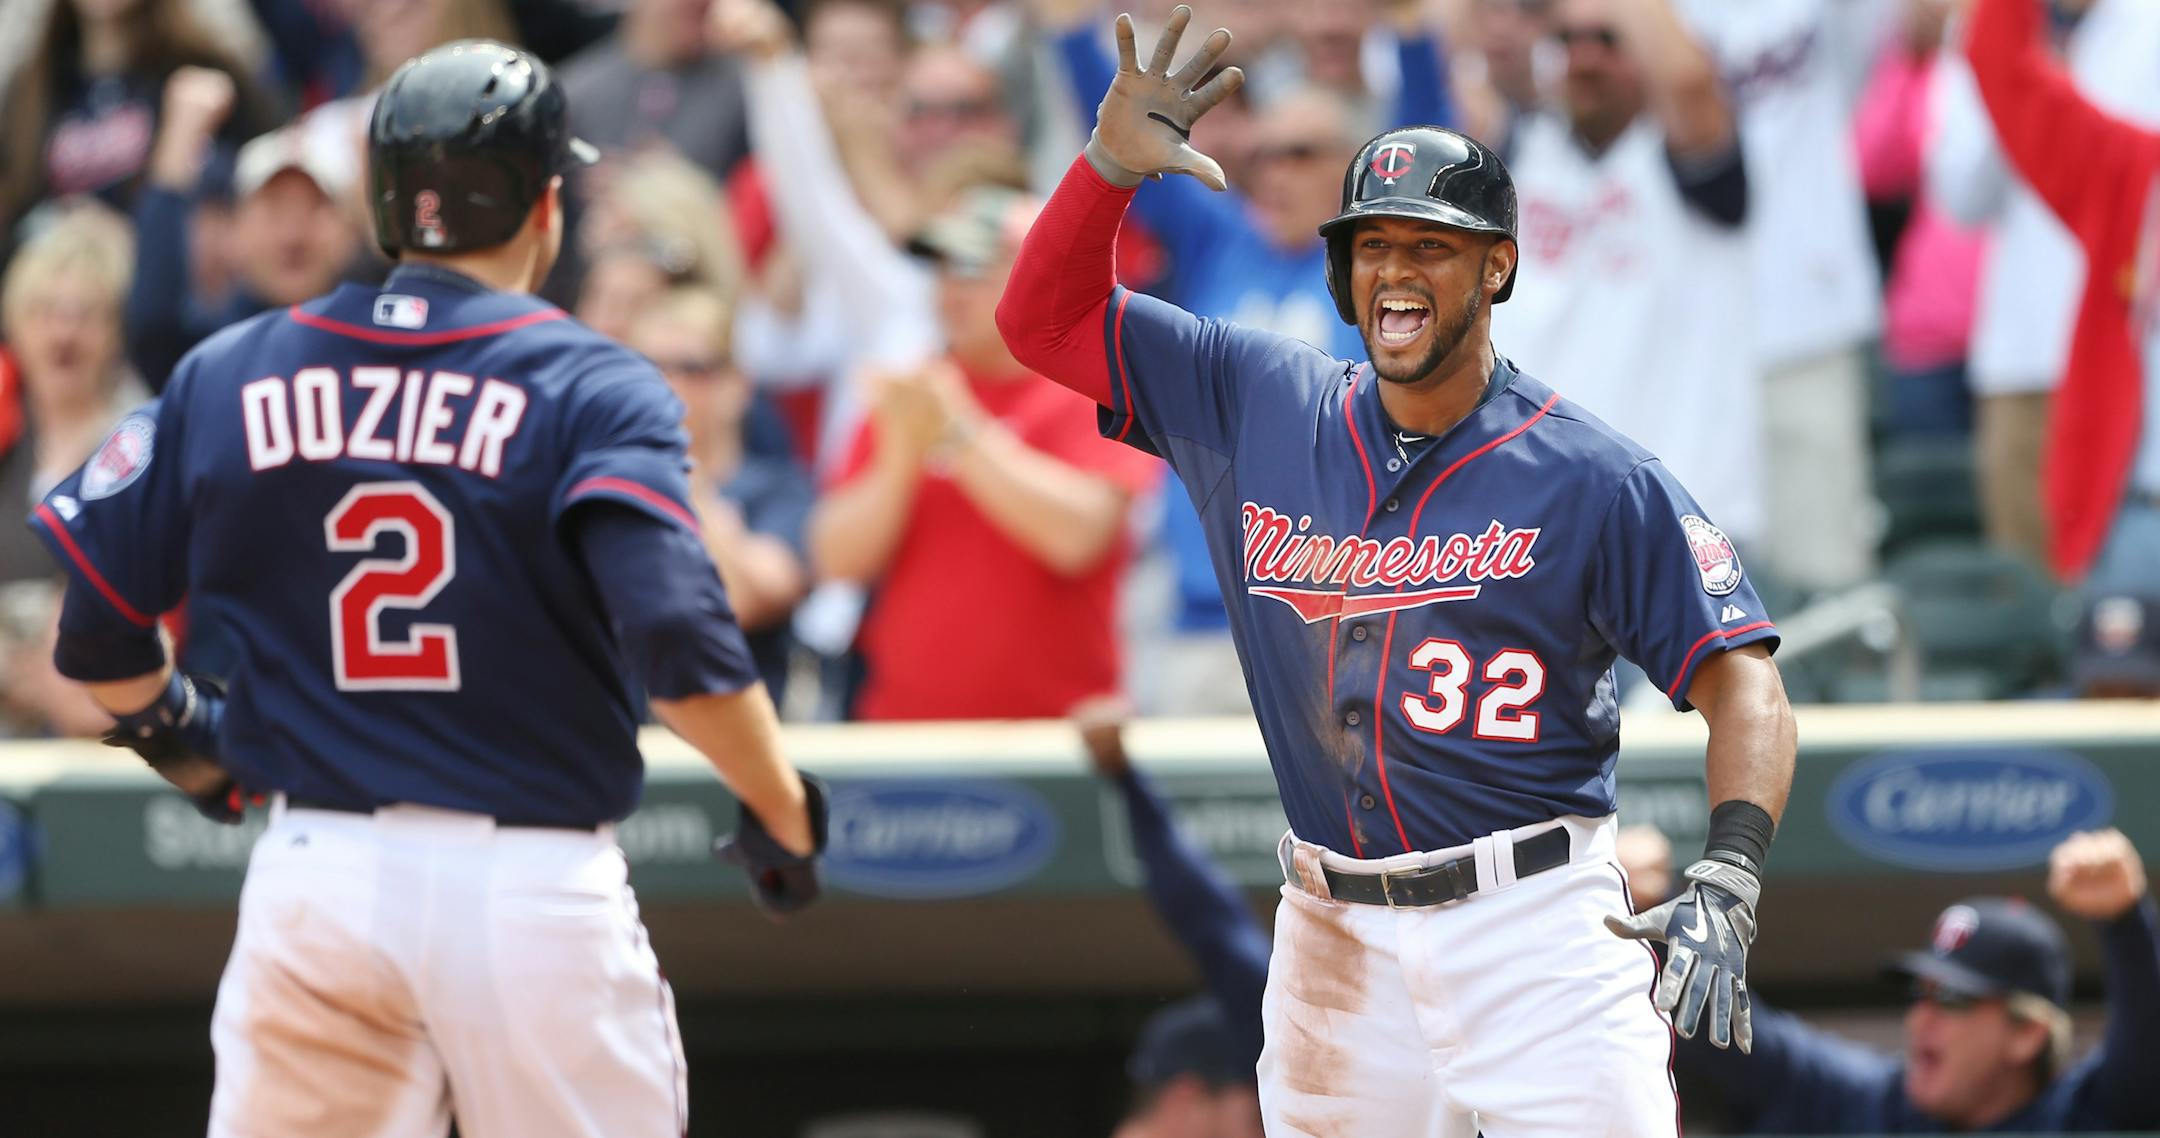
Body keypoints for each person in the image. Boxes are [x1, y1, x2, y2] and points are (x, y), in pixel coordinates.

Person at [998, 8, 1797, 1134]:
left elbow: (1744, 678)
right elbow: (1039, 321)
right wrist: (1105, 173)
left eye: (1430, 244)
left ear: (1498, 265)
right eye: (1372, 245)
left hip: (1537, 928)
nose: (1396, 271)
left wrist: (1733, 868)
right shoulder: (1258, 397)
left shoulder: (1593, 473)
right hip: (1333, 934)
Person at [24, 40, 824, 1136]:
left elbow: (97, 637)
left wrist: (181, 737)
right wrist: (782, 808)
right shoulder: (588, 378)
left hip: (320, 877)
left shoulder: (233, 368)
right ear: (549, 207)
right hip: (530, 885)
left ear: (382, 201)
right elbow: (681, 646)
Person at [808, 184, 1160, 720]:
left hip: (1057, 737)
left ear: (1039, 273)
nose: (952, 289)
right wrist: (899, 463)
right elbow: (835, 560)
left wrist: (960, 433)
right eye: (943, 269)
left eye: (974, 268)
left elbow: (1079, 537)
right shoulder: (915, 390)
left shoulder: (1095, 388)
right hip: (906, 732)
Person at [1631, 826, 2160, 1132]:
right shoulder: (1867, 1101)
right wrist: (1665, 913)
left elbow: (2146, 1060)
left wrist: (2125, 921)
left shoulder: (2083, 1116)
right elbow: (1734, 1034)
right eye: (1921, 994)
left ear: (2027, 1035)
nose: (1922, 1017)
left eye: (1953, 998)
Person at [1487, 0, 1766, 551]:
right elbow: (1462, 57)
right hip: (1545, 516)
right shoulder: (1523, 154)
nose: (1585, 58)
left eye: (1608, 40)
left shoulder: (1683, 158)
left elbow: (1687, 80)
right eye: (1568, 41)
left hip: (1685, 513)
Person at [1927, 0, 2160, 567]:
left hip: (2126, 414)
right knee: (2046, 608)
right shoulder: (2131, 167)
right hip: (2044, 363)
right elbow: (1959, 192)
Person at [628, 285, 813, 705]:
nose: (665, 384)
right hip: (629, 741)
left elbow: (740, 603)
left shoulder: (778, 488)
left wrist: (681, 476)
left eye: (691, 368)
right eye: (647, 366)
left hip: (738, 742)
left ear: (736, 386)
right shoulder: (610, 483)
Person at [128, 107, 368, 390]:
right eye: (274, 211)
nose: (292, 236)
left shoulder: (383, 346)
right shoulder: (206, 354)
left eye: (314, 209)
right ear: (234, 231)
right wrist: (179, 139)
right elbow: (154, 326)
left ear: (351, 229)